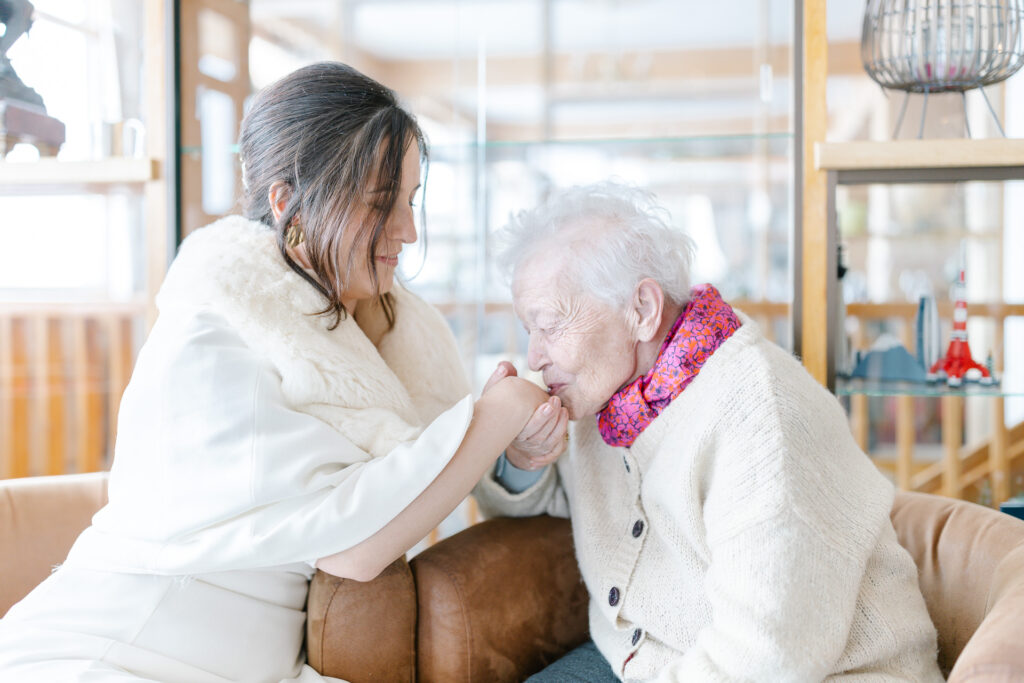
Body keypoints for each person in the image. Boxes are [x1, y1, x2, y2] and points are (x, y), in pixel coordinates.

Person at [0, 62, 554, 682]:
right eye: (381, 204)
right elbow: (353, 541)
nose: (409, 231)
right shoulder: (206, 337)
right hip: (117, 650)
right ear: (287, 202)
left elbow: (435, 478)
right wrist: (499, 413)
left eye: (410, 201)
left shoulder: (396, 334)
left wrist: (516, 451)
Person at [473, 182, 945, 682]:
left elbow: (766, 657)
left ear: (642, 310)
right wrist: (524, 459)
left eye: (549, 326)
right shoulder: (605, 396)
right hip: (647, 660)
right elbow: (534, 503)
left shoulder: (761, 413)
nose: (533, 357)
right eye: (530, 330)